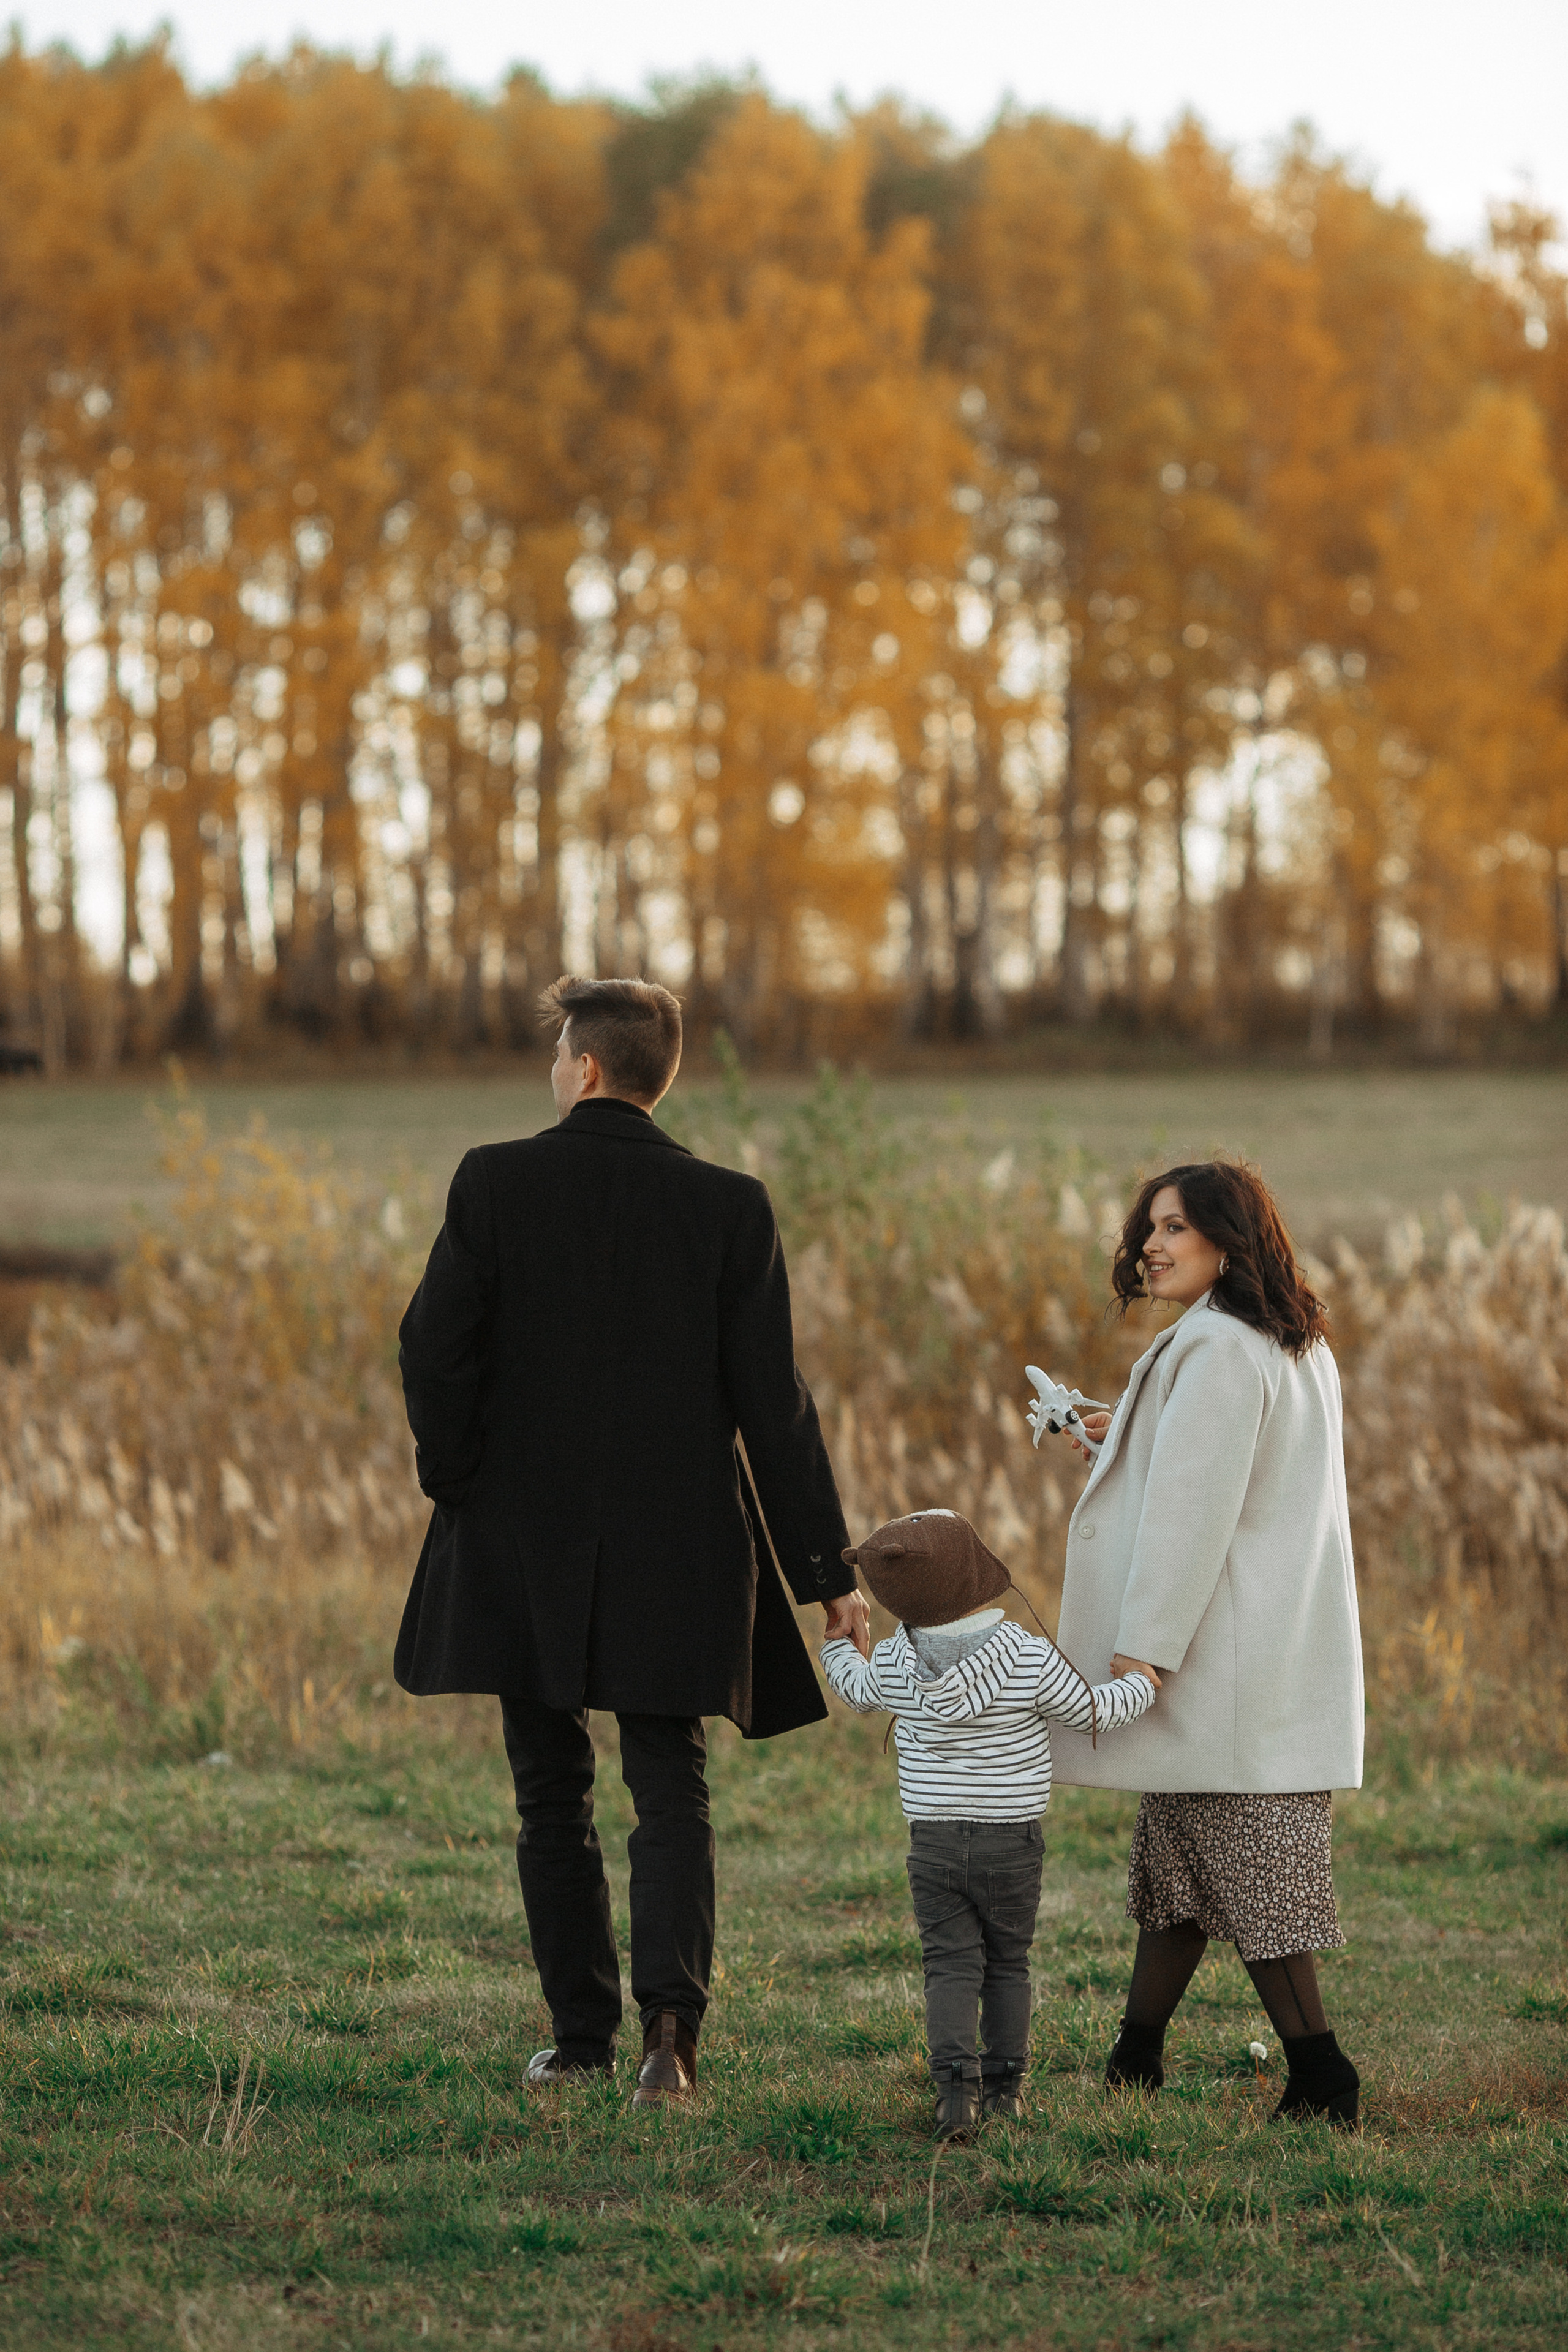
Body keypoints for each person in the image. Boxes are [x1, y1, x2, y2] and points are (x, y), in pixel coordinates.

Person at [394, 976, 870, 2106]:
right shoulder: (731, 1206)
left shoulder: (494, 1180)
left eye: (561, 1054)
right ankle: (671, 2043)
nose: (555, 1070)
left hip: (519, 1536)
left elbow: (430, 1351)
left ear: (587, 1070)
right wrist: (826, 1575)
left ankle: (579, 2039)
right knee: (672, 1789)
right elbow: (775, 1406)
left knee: (549, 1791)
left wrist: (457, 1481)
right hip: (683, 1540)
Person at [1047, 1159, 1365, 2128]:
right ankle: (1133, 2058)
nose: (1151, 1243)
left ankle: (1321, 2076)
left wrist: (1141, 1654)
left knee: (1256, 1882)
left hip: (1214, 1662)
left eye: (1176, 1227)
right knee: (1180, 1879)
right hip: (1256, 1651)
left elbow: (1193, 1520)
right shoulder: (1291, 1342)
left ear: (1230, 1237)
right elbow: (1231, 1479)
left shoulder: (1221, 1349)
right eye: (1148, 1226)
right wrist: (1126, 1442)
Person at [823, 1509, 1156, 2142]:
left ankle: (955, 2098)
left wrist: (837, 1643)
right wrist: (1140, 1684)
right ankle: (1006, 2091)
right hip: (1012, 1841)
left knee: (948, 1965)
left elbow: (856, 1689)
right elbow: (1088, 1710)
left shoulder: (895, 1661)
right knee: (1008, 1964)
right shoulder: (1026, 1657)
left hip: (934, 1843)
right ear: (975, 1573)